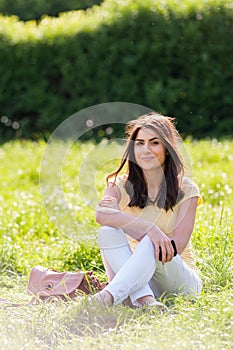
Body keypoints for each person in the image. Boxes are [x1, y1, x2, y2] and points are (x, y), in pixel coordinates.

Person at [93, 112, 202, 309]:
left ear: (167, 148)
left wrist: (150, 234)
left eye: (154, 143)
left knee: (153, 243)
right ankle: (146, 301)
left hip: (181, 283)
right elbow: (102, 215)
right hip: (139, 281)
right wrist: (148, 227)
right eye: (140, 143)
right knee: (107, 232)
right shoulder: (118, 184)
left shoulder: (186, 188)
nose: (146, 150)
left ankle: (108, 297)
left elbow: (176, 245)